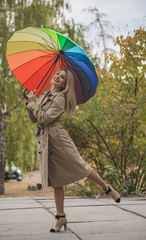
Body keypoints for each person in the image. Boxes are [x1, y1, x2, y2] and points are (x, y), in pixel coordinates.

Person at [25, 69, 121, 233]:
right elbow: (34, 118)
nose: (58, 77)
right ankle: (60, 217)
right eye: (57, 74)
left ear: (64, 84)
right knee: (56, 180)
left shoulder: (60, 98)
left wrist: (33, 103)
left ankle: (107, 188)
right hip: (46, 141)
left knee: (80, 166)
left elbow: (45, 119)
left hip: (59, 140)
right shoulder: (45, 94)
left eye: (62, 77)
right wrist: (29, 102)